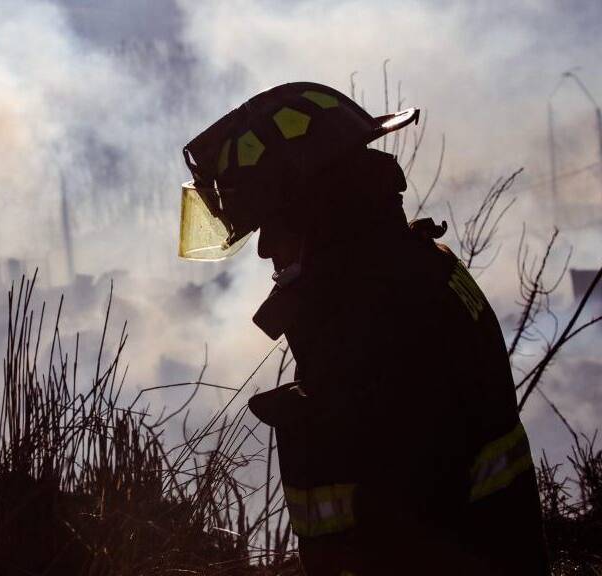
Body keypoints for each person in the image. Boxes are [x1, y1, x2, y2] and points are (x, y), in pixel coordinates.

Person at [178, 82, 549, 575]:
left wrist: (317, 419)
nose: (265, 250)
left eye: (272, 226)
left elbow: (399, 528)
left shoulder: (376, 312)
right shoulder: (403, 271)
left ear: (315, 213)